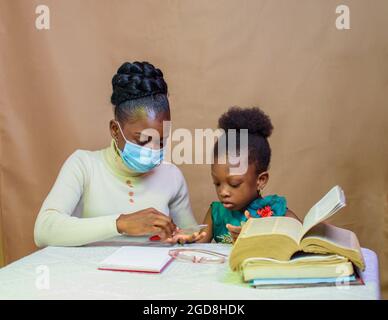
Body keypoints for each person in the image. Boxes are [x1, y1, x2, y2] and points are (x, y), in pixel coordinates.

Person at [34, 61, 205, 247]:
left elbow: (191, 239)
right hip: (91, 276)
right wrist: (120, 223)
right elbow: (43, 231)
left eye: (161, 141)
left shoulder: (171, 175)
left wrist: (190, 237)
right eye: (143, 140)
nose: (154, 149)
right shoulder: (84, 165)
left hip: (154, 275)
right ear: (115, 130)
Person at [199, 107, 299, 243]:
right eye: (217, 183)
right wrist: (183, 239)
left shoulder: (277, 213)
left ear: (261, 180)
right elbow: (195, 248)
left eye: (234, 184)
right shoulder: (216, 214)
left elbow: (304, 243)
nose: (223, 192)